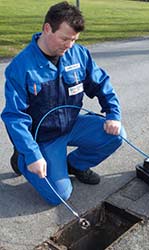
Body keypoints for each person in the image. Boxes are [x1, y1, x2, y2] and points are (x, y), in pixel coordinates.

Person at [1, 1, 126, 205]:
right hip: (44, 137)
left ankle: (75, 165)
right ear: (47, 28)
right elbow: (15, 117)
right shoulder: (21, 66)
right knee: (59, 195)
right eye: (64, 38)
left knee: (117, 134)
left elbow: (102, 84)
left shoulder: (79, 54)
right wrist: (32, 154)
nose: (69, 46)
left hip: (72, 124)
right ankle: (23, 157)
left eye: (74, 40)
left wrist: (113, 114)